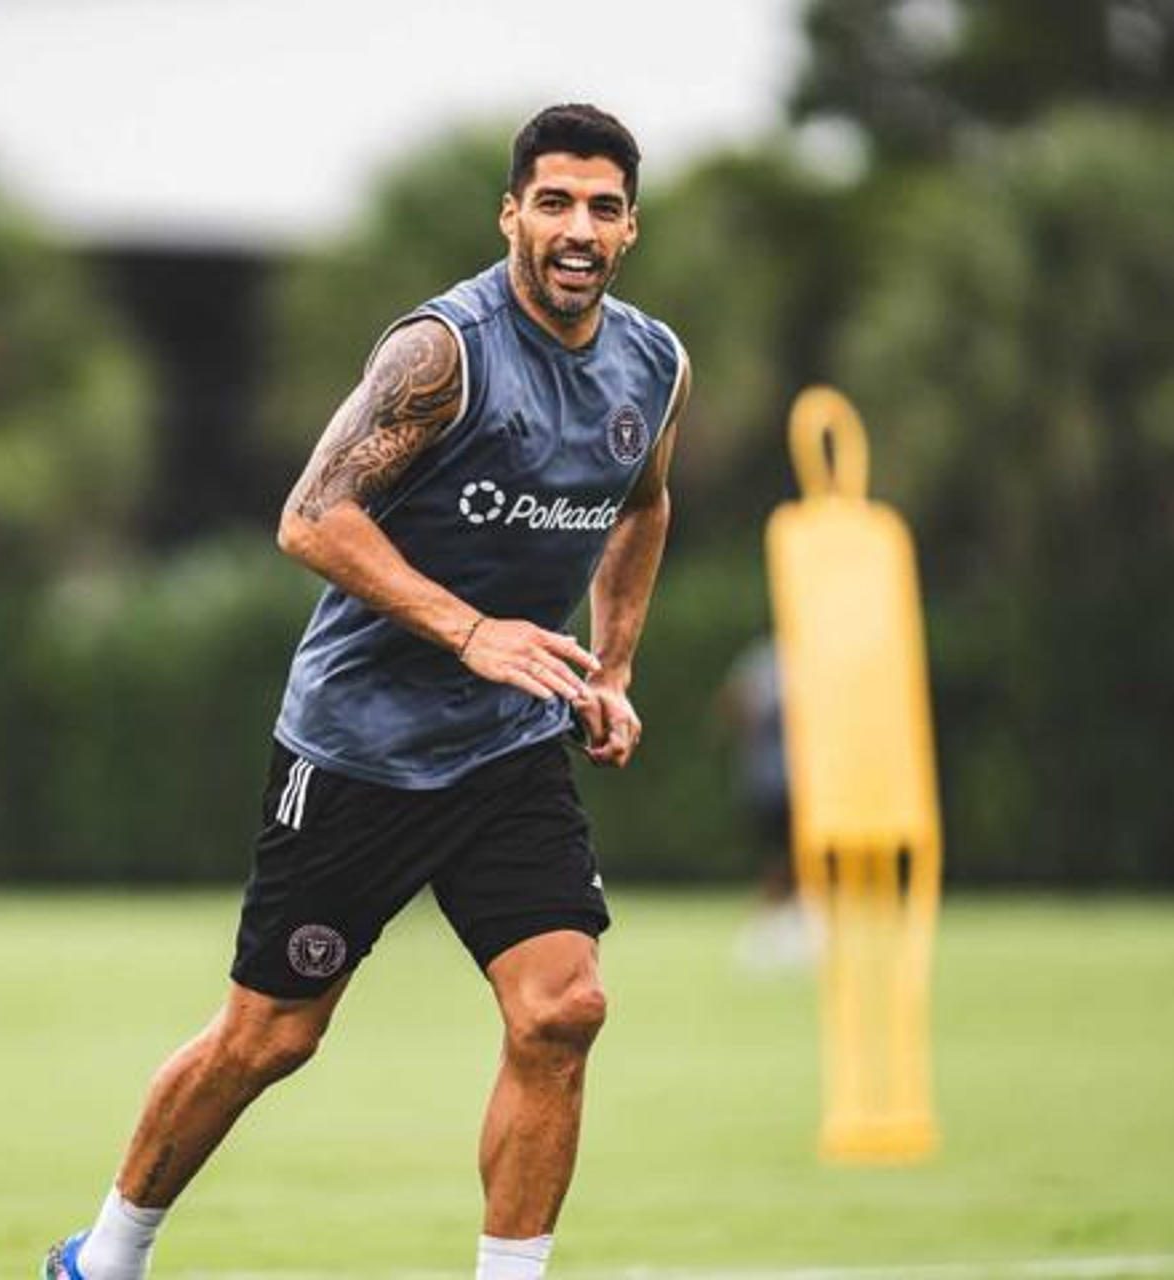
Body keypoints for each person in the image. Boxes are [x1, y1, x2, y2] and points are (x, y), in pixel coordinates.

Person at [44, 104, 689, 1280]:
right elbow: (311, 516)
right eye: (553, 201)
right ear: (512, 214)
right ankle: (106, 1255)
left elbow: (641, 503)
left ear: (631, 225)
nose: (577, 227)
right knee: (271, 1035)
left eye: (602, 205)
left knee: (564, 1008)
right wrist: (472, 628)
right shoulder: (443, 354)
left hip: (507, 748)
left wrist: (613, 666)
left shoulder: (654, 363)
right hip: (358, 749)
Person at [720, 636, 817, 972]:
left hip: (806, 783)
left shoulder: (810, 663)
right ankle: (771, 928)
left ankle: (800, 925)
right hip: (770, 781)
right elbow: (733, 705)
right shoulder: (765, 661)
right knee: (778, 858)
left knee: (805, 855)